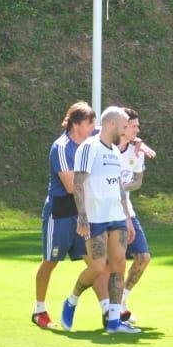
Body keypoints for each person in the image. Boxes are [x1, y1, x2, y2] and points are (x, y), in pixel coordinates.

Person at [61, 107, 139, 333]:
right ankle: (72, 299)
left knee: (118, 266)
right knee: (96, 266)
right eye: (124, 127)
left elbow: (120, 187)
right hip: (95, 218)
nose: (126, 132)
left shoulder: (115, 151)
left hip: (116, 216)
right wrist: (82, 215)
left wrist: (127, 218)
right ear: (112, 124)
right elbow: (78, 183)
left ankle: (114, 321)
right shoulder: (89, 147)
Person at [34, 102, 95, 329]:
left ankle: (110, 309)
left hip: (81, 212)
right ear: (77, 124)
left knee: (96, 263)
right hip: (60, 212)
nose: (93, 128)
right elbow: (70, 186)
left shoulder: (89, 144)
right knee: (50, 261)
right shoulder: (61, 147)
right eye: (90, 123)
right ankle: (39, 309)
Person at [118, 108, 151, 320]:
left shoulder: (136, 150)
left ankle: (122, 299)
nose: (138, 129)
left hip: (127, 211)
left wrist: (120, 187)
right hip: (105, 213)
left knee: (143, 257)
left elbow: (138, 181)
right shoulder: (105, 148)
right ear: (121, 126)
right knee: (113, 263)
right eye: (134, 125)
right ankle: (113, 308)